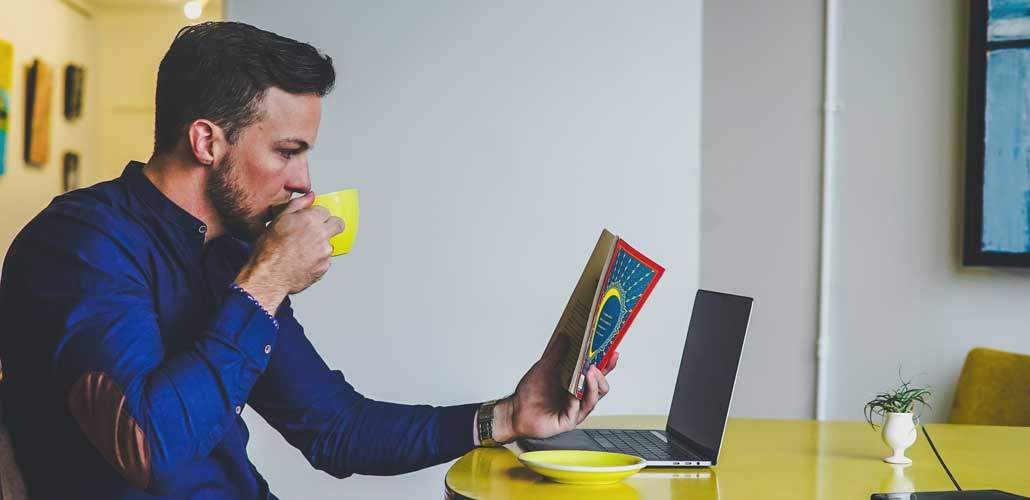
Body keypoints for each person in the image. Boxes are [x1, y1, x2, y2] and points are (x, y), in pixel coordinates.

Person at [0, 22, 616, 499]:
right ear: (207, 140)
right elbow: (146, 446)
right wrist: (265, 284)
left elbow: (336, 430)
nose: (304, 183)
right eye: (288, 151)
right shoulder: (82, 246)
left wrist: (508, 415)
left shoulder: (233, 258)